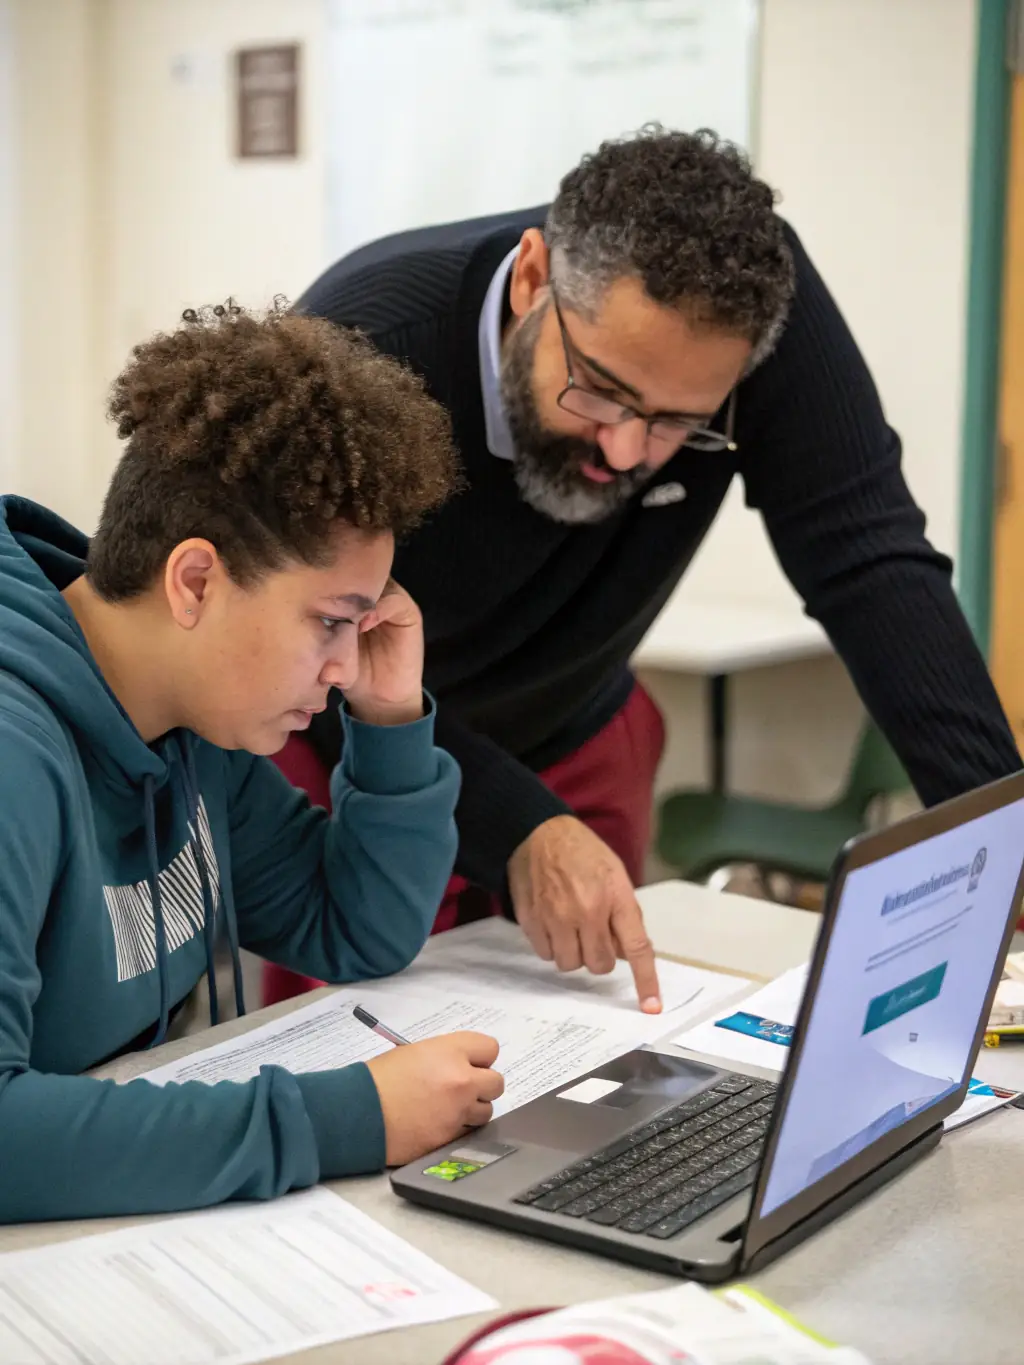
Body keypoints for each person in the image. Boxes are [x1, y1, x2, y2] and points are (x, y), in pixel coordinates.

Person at [266, 124, 1020, 1015]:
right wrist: (520, 824)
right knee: (371, 1043)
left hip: (578, 732)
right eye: (602, 390)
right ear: (533, 278)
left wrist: (1001, 842)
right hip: (361, 750)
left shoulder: (751, 314)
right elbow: (304, 647)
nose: (626, 452)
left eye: (678, 423)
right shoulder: (362, 345)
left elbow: (871, 560)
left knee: (588, 1048)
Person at [0, 301, 506, 1225]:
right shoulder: (14, 756)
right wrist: (345, 1117)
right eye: (331, 621)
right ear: (195, 581)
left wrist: (390, 717)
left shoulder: (189, 726)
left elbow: (356, 927)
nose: (345, 665)